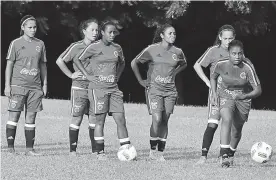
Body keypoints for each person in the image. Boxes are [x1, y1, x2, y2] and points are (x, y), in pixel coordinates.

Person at [74, 19, 132, 160]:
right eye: (110, 32)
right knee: (100, 120)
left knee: (121, 120)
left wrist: (116, 76)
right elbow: (77, 59)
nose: (112, 35)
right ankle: (100, 153)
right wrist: (88, 76)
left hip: (114, 89)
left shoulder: (117, 48)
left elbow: (122, 63)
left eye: (114, 32)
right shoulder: (94, 47)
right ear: (102, 33)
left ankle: (127, 151)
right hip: (98, 89)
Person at [131, 24, 187, 161]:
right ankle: (152, 151)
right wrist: (140, 81)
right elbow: (134, 63)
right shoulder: (151, 49)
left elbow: (184, 63)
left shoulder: (178, 51)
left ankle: (161, 153)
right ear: (162, 35)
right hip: (154, 90)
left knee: (165, 120)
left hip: (170, 91)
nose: (173, 35)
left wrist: (174, 73)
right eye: (170, 33)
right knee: (157, 119)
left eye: (174, 33)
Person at [210, 40, 262, 167]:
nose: (237, 56)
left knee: (236, 130)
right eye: (234, 53)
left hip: (243, 98)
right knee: (226, 119)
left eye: (239, 53)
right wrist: (215, 94)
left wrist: (243, 96)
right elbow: (213, 76)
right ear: (229, 53)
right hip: (225, 94)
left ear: (242, 53)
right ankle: (224, 155)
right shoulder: (220, 64)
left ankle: (231, 153)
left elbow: (258, 90)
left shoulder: (247, 66)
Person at [4, 15, 47, 156]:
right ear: (23, 28)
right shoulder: (15, 43)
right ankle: (10, 148)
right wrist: (7, 85)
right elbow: (9, 65)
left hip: (35, 87)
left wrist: (44, 84)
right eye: (30, 27)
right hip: (18, 85)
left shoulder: (40, 44)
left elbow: (43, 65)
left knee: (31, 118)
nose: (33, 30)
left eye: (34, 27)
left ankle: (29, 149)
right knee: (14, 116)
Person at [193, 25, 236, 164]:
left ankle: (223, 155)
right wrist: (207, 82)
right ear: (219, 37)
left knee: (228, 124)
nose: (228, 41)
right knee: (213, 124)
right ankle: (203, 156)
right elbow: (197, 65)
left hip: (231, 94)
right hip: (216, 93)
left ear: (234, 38)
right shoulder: (213, 51)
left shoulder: (236, 52)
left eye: (230, 38)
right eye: (225, 38)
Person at [56, 18, 99, 156]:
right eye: (92, 29)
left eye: (97, 30)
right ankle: (73, 151)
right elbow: (59, 60)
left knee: (94, 118)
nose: (95, 32)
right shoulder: (76, 46)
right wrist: (70, 75)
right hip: (79, 88)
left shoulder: (100, 47)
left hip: (94, 88)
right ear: (84, 31)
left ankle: (95, 150)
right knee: (77, 117)